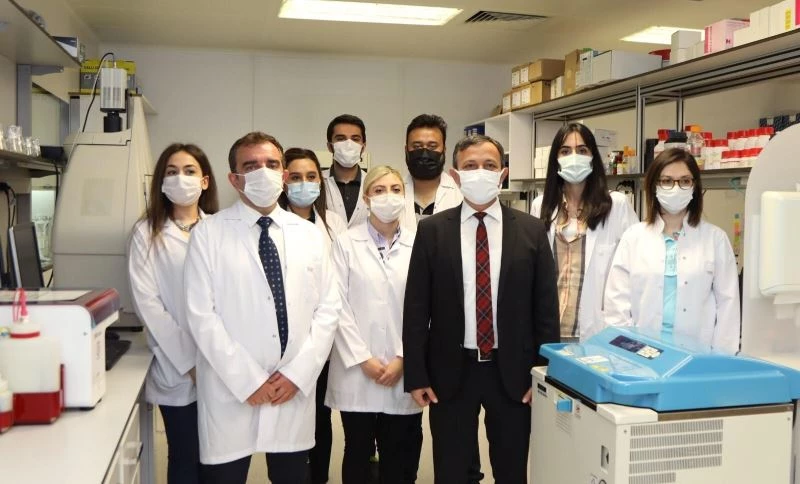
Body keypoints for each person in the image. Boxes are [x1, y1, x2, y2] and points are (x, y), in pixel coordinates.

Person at [184, 132, 341, 484]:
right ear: (234, 179)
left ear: (283, 174)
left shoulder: (310, 235)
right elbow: (201, 316)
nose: (263, 172)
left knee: (291, 476)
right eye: (251, 166)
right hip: (231, 388)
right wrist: (248, 380)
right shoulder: (208, 234)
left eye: (271, 164)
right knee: (224, 477)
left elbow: (329, 309)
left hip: (292, 387)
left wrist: (298, 374)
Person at [403, 134, 560, 483]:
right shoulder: (432, 231)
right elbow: (416, 309)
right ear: (455, 176)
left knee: (511, 470)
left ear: (502, 173)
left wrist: (543, 375)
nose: (480, 172)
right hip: (451, 371)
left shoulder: (532, 230)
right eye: (470, 166)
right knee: (452, 471)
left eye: (489, 165)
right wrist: (416, 375)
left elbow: (546, 312)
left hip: (515, 373)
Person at [128, 143, 219, 484]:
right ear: (161, 182)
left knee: (217, 458)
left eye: (189, 171)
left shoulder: (218, 229)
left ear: (205, 181)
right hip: (176, 366)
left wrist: (215, 358)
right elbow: (148, 304)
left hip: (219, 361)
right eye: (172, 172)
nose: (181, 178)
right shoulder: (146, 233)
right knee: (184, 455)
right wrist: (189, 363)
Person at [326, 165, 422, 484]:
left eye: (395, 190)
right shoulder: (344, 243)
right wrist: (363, 358)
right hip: (357, 371)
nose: (388, 197)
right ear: (366, 199)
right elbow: (335, 305)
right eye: (379, 190)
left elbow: (427, 308)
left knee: (399, 455)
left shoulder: (420, 244)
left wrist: (403, 357)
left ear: (404, 197)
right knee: (357, 451)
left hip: (403, 369)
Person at [604, 148, 740, 354]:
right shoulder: (634, 237)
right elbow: (617, 305)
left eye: (684, 181)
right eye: (666, 181)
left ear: (694, 187)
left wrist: (721, 360)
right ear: (654, 186)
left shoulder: (715, 239)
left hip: (697, 355)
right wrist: (624, 352)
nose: (676, 188)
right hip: (641, 353)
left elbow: (728, 306)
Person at [530, 123, 638, 342]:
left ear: (592, 157)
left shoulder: (616, 205)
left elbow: (634, 267)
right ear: (555, 159)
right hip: (551, 329)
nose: (574, 157)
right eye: (565, 151)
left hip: (597, 328)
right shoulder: (541, 206)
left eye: (582, 150)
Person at [279, 147, 346, 484]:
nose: (304, 183)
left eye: (310, 177)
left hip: (323, 340)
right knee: (287, 421)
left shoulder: (333, 223)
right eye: (295, 177)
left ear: (320, 181)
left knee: (320, 418)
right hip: (284, 340)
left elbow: (340, 281)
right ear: (283, 181)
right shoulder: (273, 222)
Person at [402, 114, 462, 226]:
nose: (424, 153)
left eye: (432, 146)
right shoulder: (392, 193)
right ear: (406, 150)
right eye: (417, 146)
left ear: (444, 150)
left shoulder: (460, 193)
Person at [323, 114, 369, 228]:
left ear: (363, 147)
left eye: (355, 139)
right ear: (330, 146)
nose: (349, 144)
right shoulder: (318, 183)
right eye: (341, 139)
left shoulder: (373, 183)